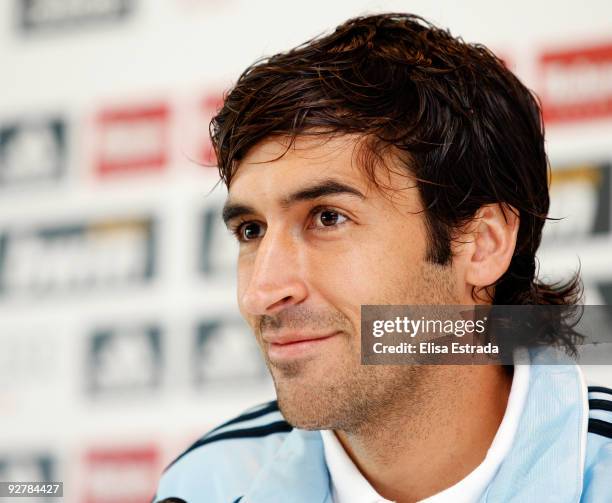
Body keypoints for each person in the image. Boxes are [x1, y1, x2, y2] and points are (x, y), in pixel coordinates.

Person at [153, 13, 612, 503]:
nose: (261, 293)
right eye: (251, 230)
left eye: (328, 218)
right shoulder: (204, 483)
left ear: (483, 244)